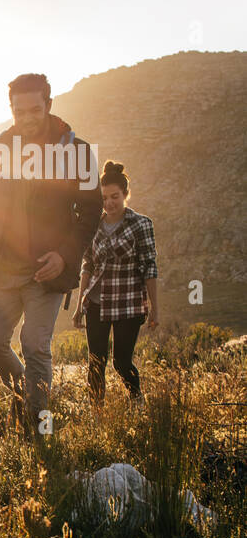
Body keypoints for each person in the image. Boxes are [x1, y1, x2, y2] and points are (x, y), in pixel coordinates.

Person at [0, 72, 103, 433]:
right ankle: (28, 395)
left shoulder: (76, 151)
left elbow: (90, 213)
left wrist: (65, 255)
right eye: (18, 111)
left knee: (35, 345)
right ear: (11, 109)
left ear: (49, 105)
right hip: (2, 267)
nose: (26, 118)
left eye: (33, 110)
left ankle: (37, 427)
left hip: (48, 269)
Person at [72, 160, 158, 405]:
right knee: (95, 362)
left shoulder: (141, 224)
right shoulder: (93, 225)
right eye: (104, 198)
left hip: (128, 302)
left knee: (122, 362)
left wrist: (154, 308)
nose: (109, 203)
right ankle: (97, 415)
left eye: (114, 197)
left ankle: (137, 401)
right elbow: (87, 265)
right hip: (97, 302)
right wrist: (80, 306)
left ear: (125, 195)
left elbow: (149, 267)